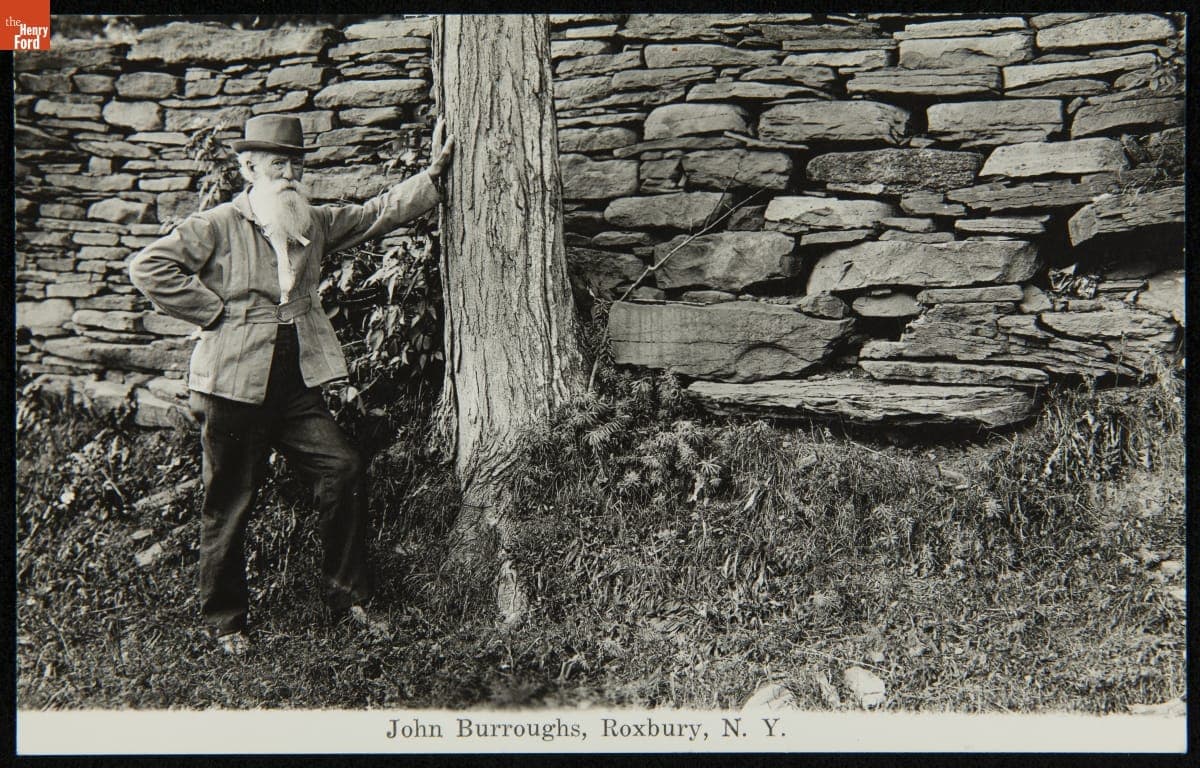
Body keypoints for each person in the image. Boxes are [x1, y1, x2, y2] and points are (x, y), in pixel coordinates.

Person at [129, 113, 455, 654]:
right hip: (231, 382)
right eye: (277, 163)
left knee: (342, 466)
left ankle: (346, 596)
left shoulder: (309, 219)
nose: (289, 173)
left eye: (295, 163)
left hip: (294, 378)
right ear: (248, 167)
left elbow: (373, 214)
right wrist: (214, 314)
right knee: (231, 498)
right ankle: (225, 620)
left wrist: (432, 179)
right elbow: (150, 266)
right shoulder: (215, 224)